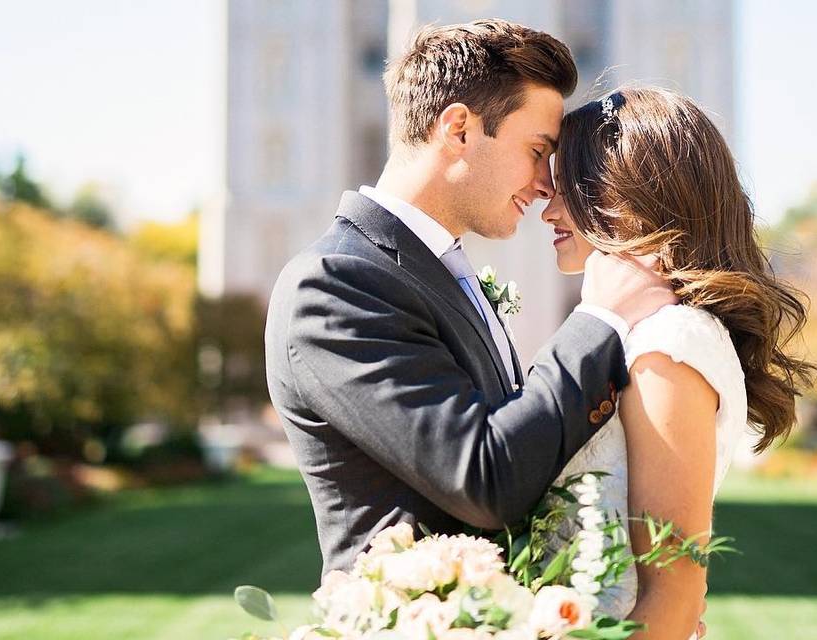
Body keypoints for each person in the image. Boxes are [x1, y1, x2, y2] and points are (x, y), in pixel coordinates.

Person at [264, 19, 674, 577]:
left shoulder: (435, 270)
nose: (547, 186)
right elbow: (484, 477)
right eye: (537, 150)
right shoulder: (336, 285)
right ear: (458, 129)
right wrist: (599, 319)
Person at [541, 87, 817, 638]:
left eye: (565, 189)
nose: (547, 209)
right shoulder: (640, 336)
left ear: (622, 197)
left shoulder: (667, 347)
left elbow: (673, 594)